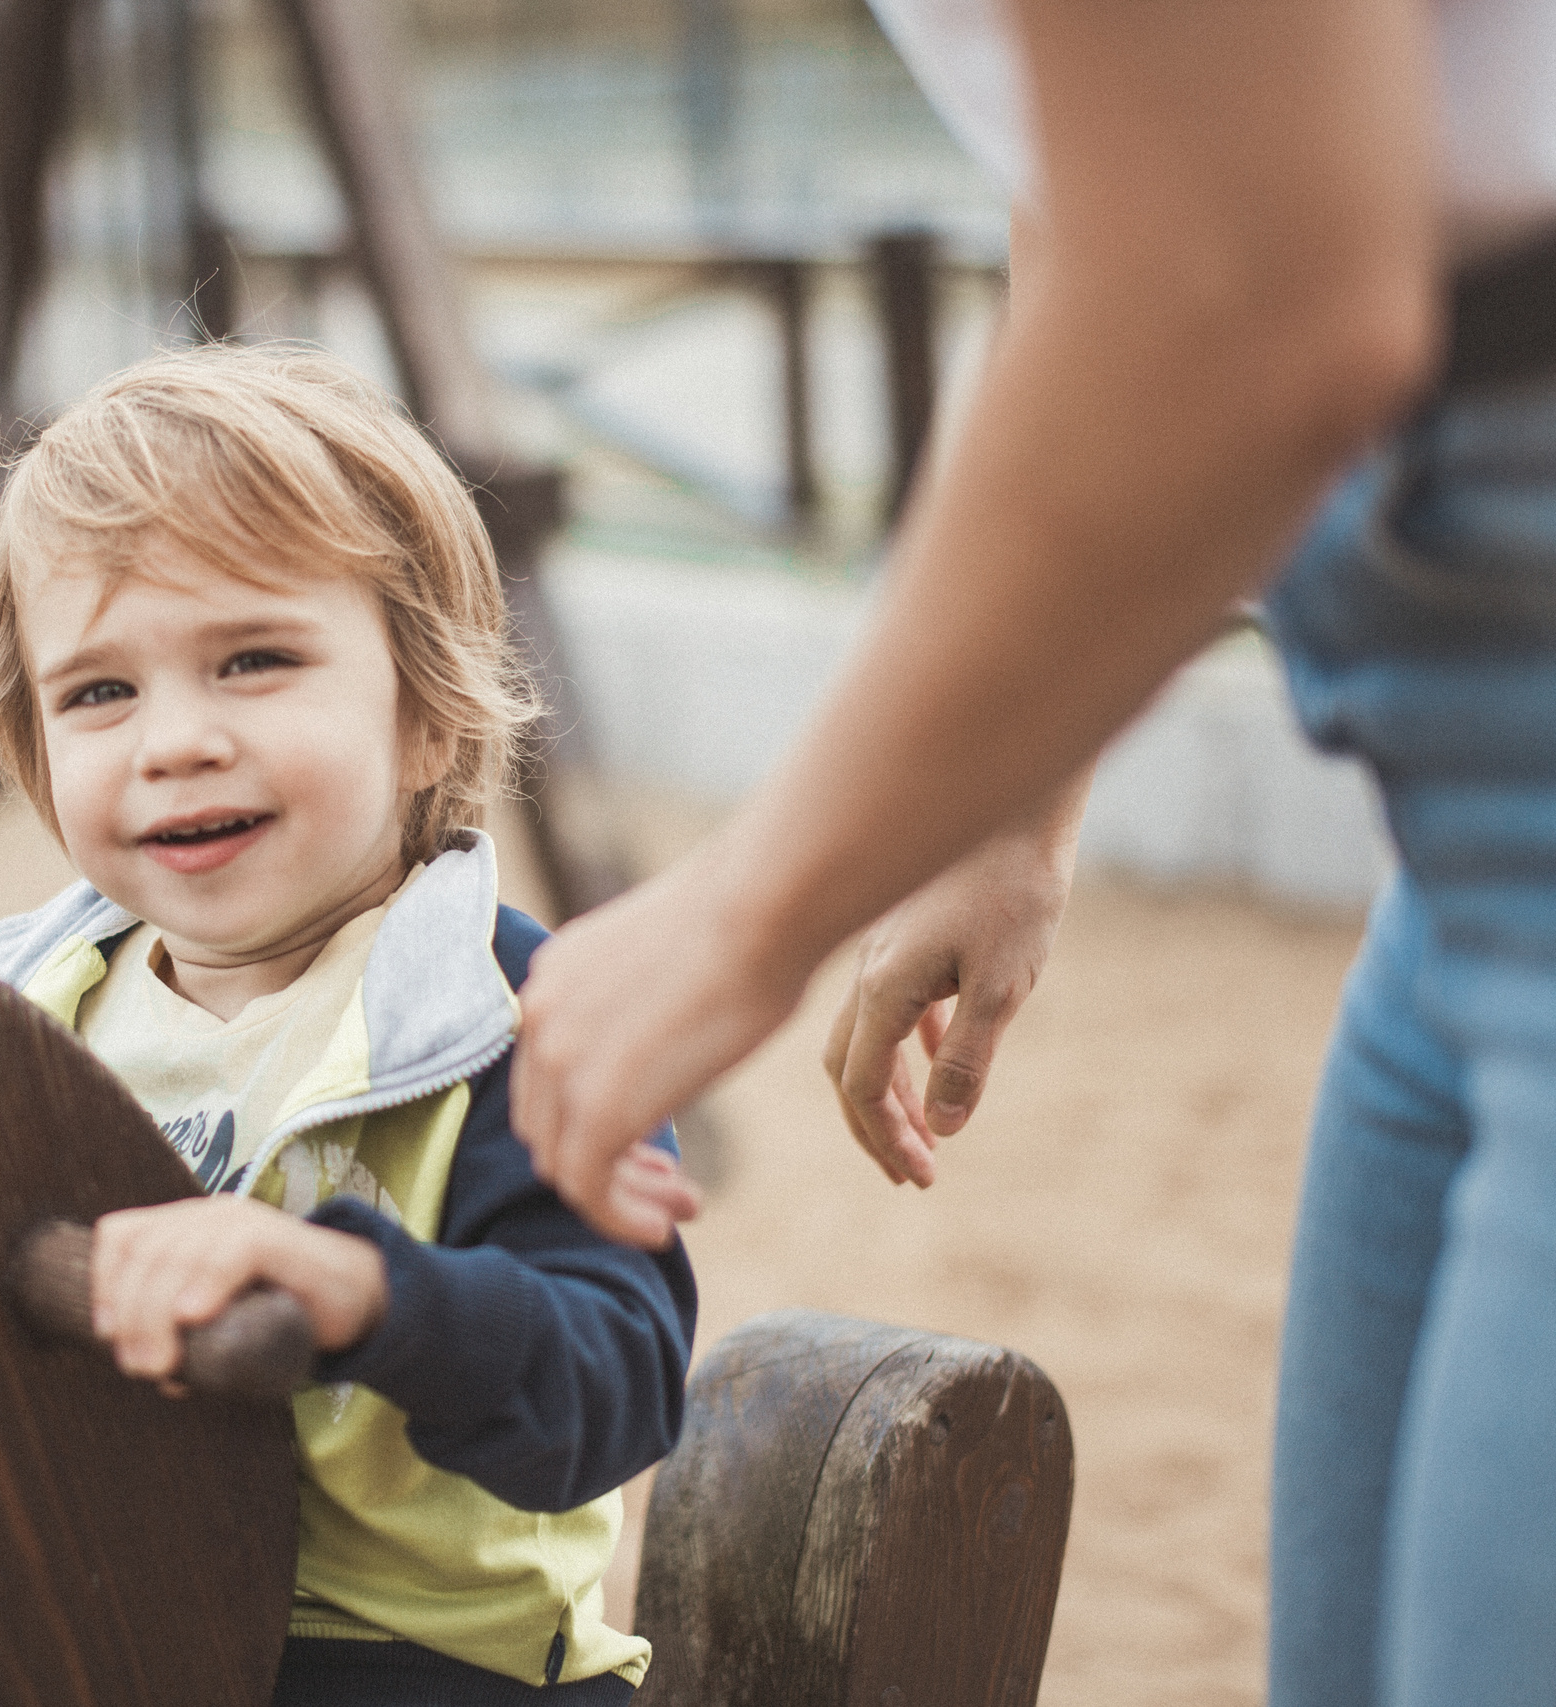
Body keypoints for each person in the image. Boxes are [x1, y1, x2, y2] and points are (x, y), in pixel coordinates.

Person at [506, 1, 1556, 1704]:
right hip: (1448, 830)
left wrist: (743, 913)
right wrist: (1007, 785)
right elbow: (1140, 156)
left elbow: (1262, 293)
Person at [0, 343, 699, 1705]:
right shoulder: (29, 1020)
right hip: (105, 1624)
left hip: (408, 1666)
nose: (173, 739)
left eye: (252, 659)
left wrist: (366, 1293)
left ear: (425, 715)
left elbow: (616, 1379)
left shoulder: (509, 1021)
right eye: (100, 691)